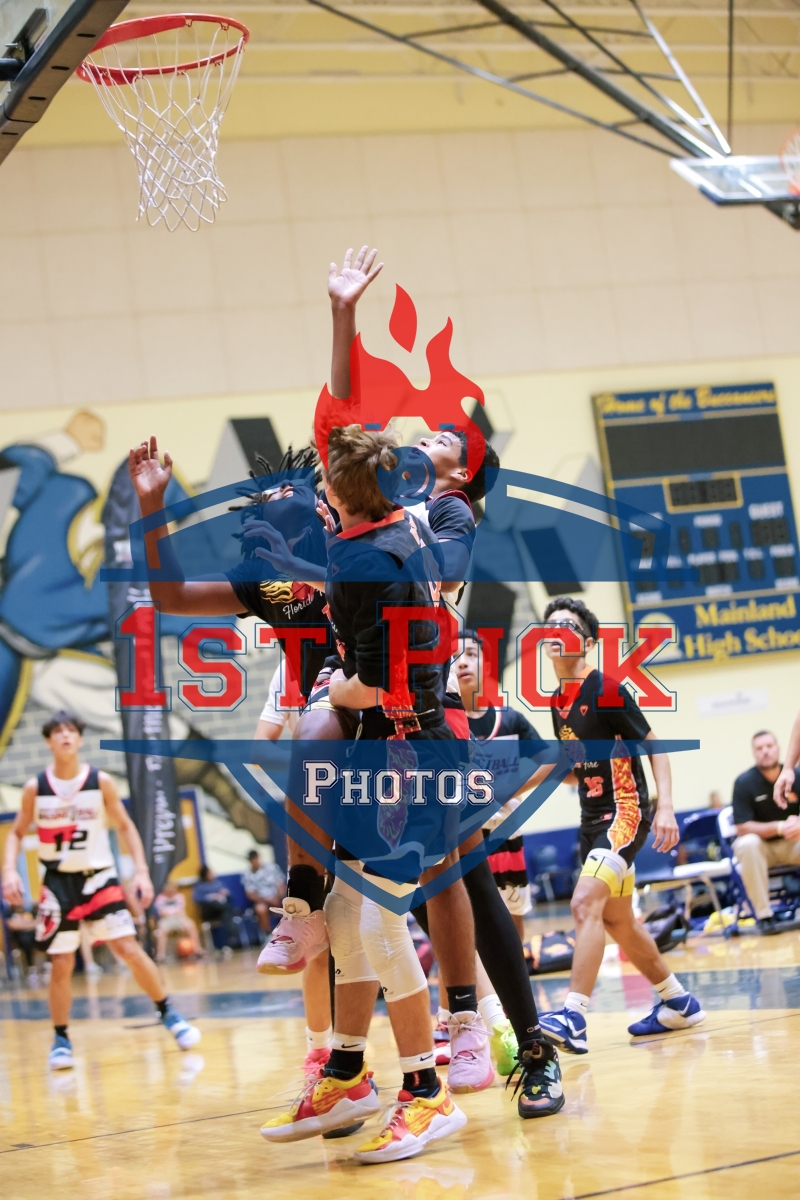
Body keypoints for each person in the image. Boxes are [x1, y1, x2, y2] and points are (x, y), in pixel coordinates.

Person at [261, 423, 468, 1163]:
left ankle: (428, 1093)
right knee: (348, 913)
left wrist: (325, 694)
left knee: (379, 920)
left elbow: (377, 684)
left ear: (334, 493)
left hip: (413, 749)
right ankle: (347, 1074)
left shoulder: (364, 562)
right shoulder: (398, 525)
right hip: (384, 746)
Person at [534, 598, 706, 1052]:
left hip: (624, 814)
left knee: (583, 903)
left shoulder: (606, 689)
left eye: (568, 626)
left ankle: (573, 1015)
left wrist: (665, 807)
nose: (556, 632)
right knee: (617, 920)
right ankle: (678, 1002)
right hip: (591, 821)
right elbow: (572, 767)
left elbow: (655, 747)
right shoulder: (556, 701)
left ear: (588, 643)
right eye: (550, 626)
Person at [1, 711, 200, 1069]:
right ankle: (61, 1039)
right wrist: (8, 871)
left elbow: (125, 826)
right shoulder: (36, 788)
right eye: (58, 731)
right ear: (48, 741)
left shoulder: (99, 781)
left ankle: (169, 1013)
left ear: (79, 739)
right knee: (61, 961)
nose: (65, 736)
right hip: (58, 882)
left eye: (71, 730)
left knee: (128, 947)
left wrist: (141, 872)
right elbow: (16, 833)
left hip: (99, 878)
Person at [455, 630, 537, 940]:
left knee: (512, 924)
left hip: (506, 836)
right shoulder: (443, 725)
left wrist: (508, 790)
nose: (463, 662)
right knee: (468, 928)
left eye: (471, 655)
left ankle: (518, 970)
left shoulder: (510, 720)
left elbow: (552, 761)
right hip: (464, 840)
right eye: (454, 657)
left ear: (486, 666)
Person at [732, 730, 800, 935]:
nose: (765, 751)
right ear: (754, 753)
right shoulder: (744, 783)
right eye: (759, 748)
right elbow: (742, 827)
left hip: (793, 844)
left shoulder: (796, 776)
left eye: (769, 746)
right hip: (762, 849)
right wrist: (779, 827)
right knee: (747, 843)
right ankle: (764, 916)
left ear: (778, 748)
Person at [154, 881, 204, 962]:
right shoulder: (160, 898)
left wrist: (182, 922)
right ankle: (160, 955)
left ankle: (197, 949)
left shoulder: (179, 897)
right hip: (166, 920)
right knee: (161, 931)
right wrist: (171, 914)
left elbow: (182, 911)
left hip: (179, 918)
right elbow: (162, 913)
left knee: (191, 925)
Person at [242, 849, 286, 935]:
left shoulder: (272, 868)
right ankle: (268, 934)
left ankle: (290, 932)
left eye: (255, 858)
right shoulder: (247, 874)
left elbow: (281, 885)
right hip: (262, 901)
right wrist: (268, 900)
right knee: (260, 909)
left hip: (277, 898)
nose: (254, 861)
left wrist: (278, 897)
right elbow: (250, 894)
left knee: (291, 905)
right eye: (251, 860)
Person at [193, 865, 236, 952]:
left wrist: (224, 893)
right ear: (205, 875)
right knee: (220, 907)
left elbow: (228, 894)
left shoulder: (218, 883)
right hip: (209, 912)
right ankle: (233, 933)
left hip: (221, 911)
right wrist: (211, 897)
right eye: (210, 873)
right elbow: (196, 899)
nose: (213, 874)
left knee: (225, 909)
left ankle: (225, 945)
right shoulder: (200, 886)